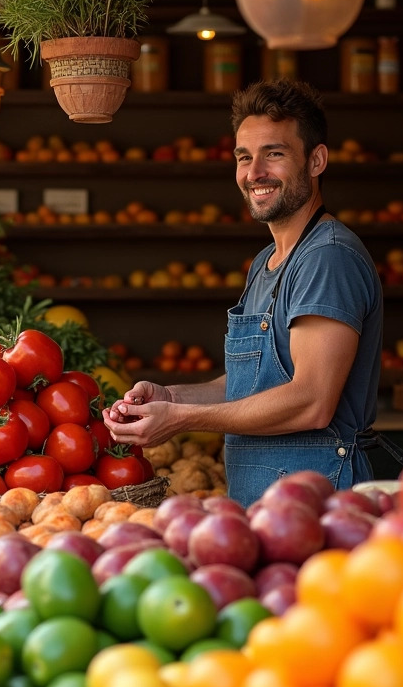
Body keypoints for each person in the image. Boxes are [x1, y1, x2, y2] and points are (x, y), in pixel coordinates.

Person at [105, 79, 387, 505]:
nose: (254, 173)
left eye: (273, 154)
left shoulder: (327, 258)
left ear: (316, 160)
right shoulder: (266, 262)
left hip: (319, 507)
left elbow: (311, 401)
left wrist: (181, 419)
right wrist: (172, 396)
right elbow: (251, 385)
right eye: (244, 157)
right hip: (268, 506)